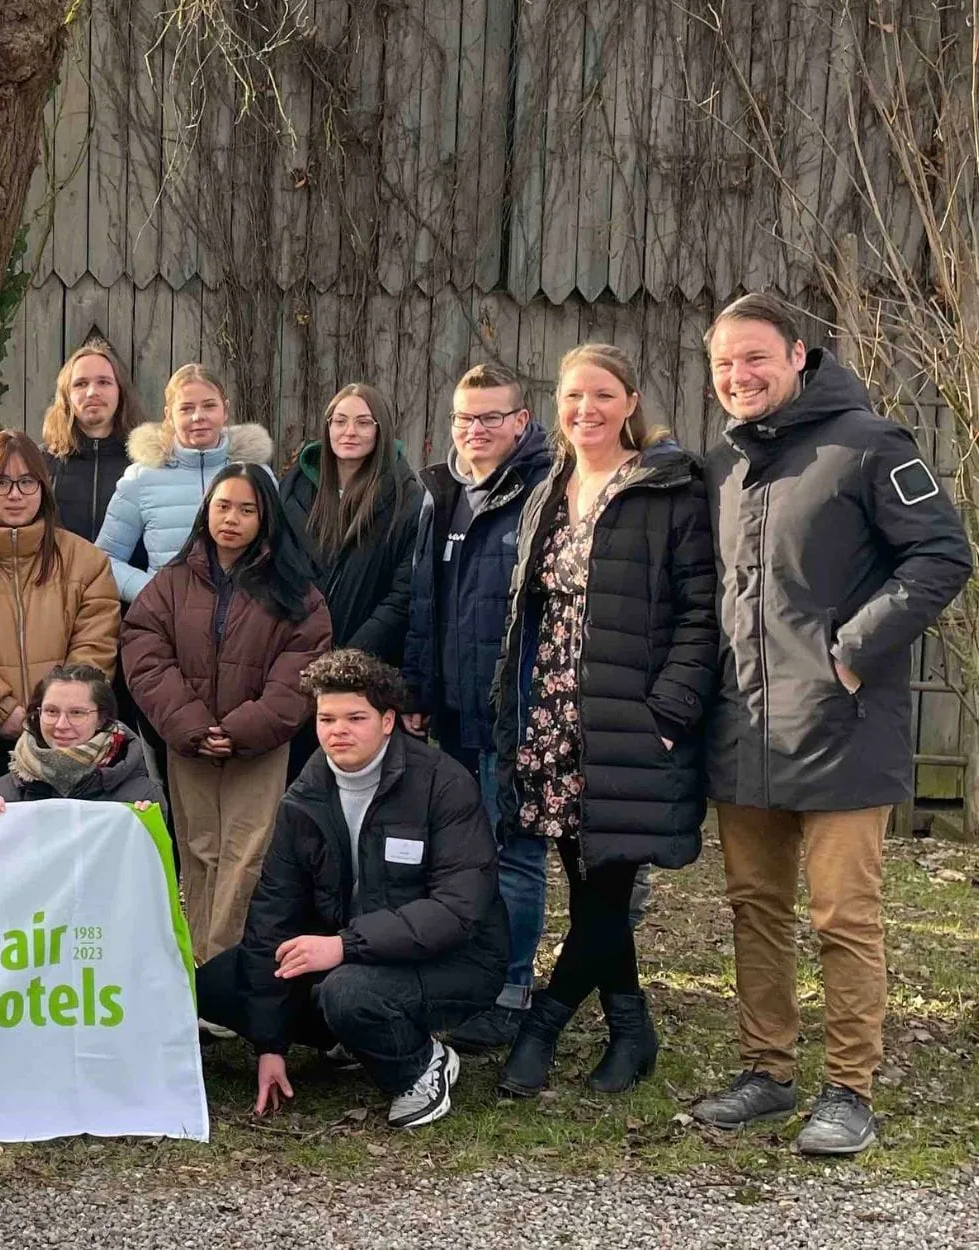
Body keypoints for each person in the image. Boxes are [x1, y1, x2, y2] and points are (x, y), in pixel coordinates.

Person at [687, 295, 973, 1156]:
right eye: (725, 364)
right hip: (746, 733)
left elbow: (942, 554)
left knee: (843, 915)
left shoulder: (871, 445)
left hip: (843, 727)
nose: (739, 377)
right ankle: (766, 1073)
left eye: (755, 359)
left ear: (799, 356)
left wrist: (853, 648)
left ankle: (850, 1090)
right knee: (754, 908)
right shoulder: (723, 469)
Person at [490, 344, 717, 1098]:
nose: (585, 409)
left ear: (630, 402)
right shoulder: (549, 488)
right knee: (588, 890)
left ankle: (542, 1026)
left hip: (629, 721)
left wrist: (668, 715)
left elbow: (699, 614)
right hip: (553, 714)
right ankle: (630, 1030)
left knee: (610, 889)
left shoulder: (668, 489)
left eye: (601, 395)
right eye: (573, 396)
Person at [196, 649, 506, 1130]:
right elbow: (273, 913)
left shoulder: (443, 784)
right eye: (326, 718)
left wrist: (345, 946)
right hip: (348, 949)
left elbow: (457, 908)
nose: (338, 731)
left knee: (347, 993)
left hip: (457, 961)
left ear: (388, 721)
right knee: (217, 982)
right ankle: (353, 1038)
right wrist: (270, 1045)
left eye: (355, 718)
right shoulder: (307, 793)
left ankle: (421, 1065)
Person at [401, 361, 553, 1051]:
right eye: (465, 417)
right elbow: (425, 605)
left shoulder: (546, 490)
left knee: (515, 854)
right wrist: (417, 692)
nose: (476, 430)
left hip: (516, 713)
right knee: (464, 854)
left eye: (491, 417)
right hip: (454, 714)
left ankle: (512, 989)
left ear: (521, 421)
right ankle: (470, 981)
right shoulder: (443, 492)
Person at [122, 463, 330, 962]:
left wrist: (241, 730)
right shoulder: (172, 581)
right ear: (206, 511)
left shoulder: (295, 591)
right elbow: (144, 650)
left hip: (257, 748)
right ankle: (194, 967)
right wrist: (192, 726)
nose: (231, 519)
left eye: (246, 509)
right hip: (189, 743)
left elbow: (303, 668)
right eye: (222, 506)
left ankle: (222, 971)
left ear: (267, 519)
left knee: (245, 855)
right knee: (197, 852)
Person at [0, 430, 121, 805]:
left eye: (27, 482)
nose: (15, 494)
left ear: (43, 488)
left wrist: (58, 714)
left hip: (68, 741)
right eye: (1, 482)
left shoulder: (87, 561)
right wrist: (4, 712)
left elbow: (96, 645)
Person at [95, 363, 275, 603]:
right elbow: (105, 559)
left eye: (209, 406)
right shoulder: (142, 479)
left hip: (245, 620)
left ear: (225, 410)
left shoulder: (256, 476)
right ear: (169, 415)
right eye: (186, 408)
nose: (198, 416)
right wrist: (153, 592)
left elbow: (278, 551)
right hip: (166, 623)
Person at [282, 383, 423, 666]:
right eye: (340, 421)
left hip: (367, 666)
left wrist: (348, 657)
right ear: (328, 427)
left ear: (380, 430)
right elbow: (277, 567)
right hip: (293, 658)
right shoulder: (294, 487)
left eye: (363, 423)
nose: (349, 432)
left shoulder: (405, 497)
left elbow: (402, 595)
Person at [0, 664, 163, 809]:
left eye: (77, 713)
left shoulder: (142, 795)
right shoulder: (3, 793)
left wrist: (146, 826)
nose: (61, 725)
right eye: (51, 711)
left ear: (101, 719)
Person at [40, 342, 147, 540]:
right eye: (80, 384)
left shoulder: (146, 465)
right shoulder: (40, 463)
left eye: (104, 382)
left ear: (120, 391)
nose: (92, 392)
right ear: (66, 395)